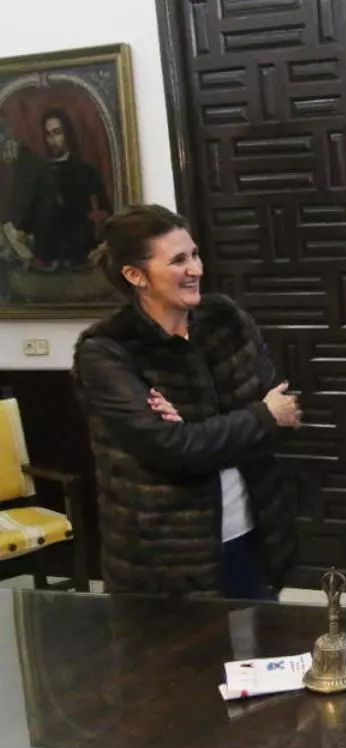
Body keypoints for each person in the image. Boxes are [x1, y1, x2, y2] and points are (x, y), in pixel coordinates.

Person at [73, 204, 301, 599]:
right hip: (165, 558)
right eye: (178, 260)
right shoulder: (107, 350)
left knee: (259, 639)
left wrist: (200, 432)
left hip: (253, 535)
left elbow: (286, 411)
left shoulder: (225, 319)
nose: (195, 269)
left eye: (194, 254)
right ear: (135, 275)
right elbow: (171, 449)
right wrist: (259, 418)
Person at [17, 108, 111, 270]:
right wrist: (21, 232)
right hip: (46, 255)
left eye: (57, 133)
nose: (53, 140)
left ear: (67, 134)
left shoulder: (86, 172)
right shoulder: (40, 174)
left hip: (79, 253)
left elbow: (104, 211)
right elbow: (32, 211)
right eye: (48, 134)